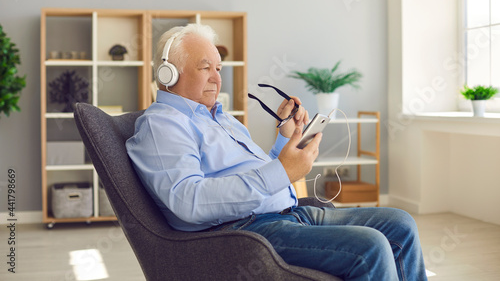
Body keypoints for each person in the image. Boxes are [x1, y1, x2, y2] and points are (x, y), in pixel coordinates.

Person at [126, 23, 428, 280]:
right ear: (168, 74)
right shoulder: (162, 125)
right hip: (246, 233)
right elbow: (187, 201)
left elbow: (260, 175)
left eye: (218, 68)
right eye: (205, 68)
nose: (217, 78)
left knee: (400, 224)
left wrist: (286, 137)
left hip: (290, 215)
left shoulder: (221, 118)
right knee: (371, 246)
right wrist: (283, 172)